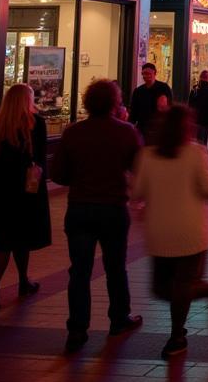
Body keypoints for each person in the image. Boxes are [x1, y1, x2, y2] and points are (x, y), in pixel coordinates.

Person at [51, 80, 142, 354]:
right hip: (113, 209)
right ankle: (118, 318)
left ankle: (77, 329)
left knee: (79, 271)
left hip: (80, 208)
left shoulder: (72, 132)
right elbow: (139, 168)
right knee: (116, 267)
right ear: (116, 103)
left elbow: (59, 174)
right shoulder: (126, 132)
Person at [132, 105, 208, 359]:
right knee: (175, 288)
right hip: (189, 232)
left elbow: (137, 191)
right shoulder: (194, 153)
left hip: (166, 232)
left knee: (169, 287)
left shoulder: (149, 155)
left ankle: (177, 336)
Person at [0, 84, 51, 311]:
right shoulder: (36, 124)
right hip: (27, 190)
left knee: (4, 240)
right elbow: (41, 159)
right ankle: (16, 282)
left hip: (1, 190)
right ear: (28, 100)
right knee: (21, 237)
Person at [128, 62, 173, 141]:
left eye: (148, 73)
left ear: (154, 73)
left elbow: (170, 106)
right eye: (143, 74)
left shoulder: (164, 88)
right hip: (143, 126)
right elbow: (134, 111)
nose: (145, 76)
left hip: (159, 126)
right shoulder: (138, 91)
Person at [188, 70, 208, 153]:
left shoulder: (195, 90)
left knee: (201, 144)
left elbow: (190, 105)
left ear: (200, 78)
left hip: (200, 120)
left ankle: (202, 160)